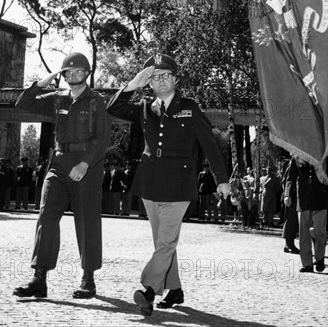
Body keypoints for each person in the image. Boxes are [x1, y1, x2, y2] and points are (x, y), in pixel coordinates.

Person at [107, 53, 230, 316]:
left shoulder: (190, 107)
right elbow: (113, 109)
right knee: (163, 243)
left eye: (165, 75)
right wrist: (132, 84)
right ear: (149, 82)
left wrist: (221, 179)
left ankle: (148, 290)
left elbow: (209, 143)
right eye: (155, 77)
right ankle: (174, 289)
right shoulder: (143, 107)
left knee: (166, 242)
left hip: (179, 183)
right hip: (150, 181)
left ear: (175, 79)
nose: (161, 81)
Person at [13, 52, 111, 299]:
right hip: (57, 164)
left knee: (87, 221)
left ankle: (88, 279)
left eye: (78, 71)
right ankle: (39, 278)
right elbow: (22, 104)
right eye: (68, 72)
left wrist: (85, 164)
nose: (73, 75)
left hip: (85, 166)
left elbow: (102, 139)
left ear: (87, 74)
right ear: (63, 75)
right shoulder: (57, 99)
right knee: (46, 217)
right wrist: (42, 82)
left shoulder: (96, 101)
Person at [284, 156, 328, 273]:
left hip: (320, 199)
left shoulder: (324, 156)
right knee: (304, 233)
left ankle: (319, 258)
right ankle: (307, 264)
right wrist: (287, 194)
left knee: (320, 232)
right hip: (303, 200)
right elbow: (290, 178)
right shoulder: (297, 157)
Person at [281, 160, 299, 254]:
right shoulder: (295, 160)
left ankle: (289, 244)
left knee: (294, 221)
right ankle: (289, 244)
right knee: (291, 219)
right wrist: (287, 195)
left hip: (301, 195)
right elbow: (288, 179)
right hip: (293, 195)